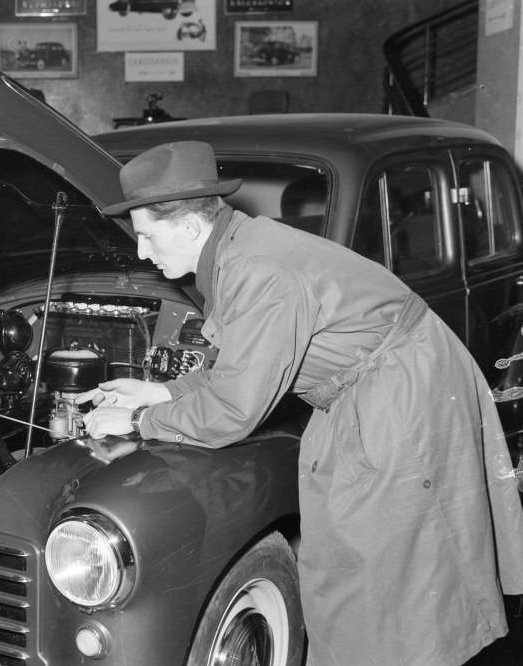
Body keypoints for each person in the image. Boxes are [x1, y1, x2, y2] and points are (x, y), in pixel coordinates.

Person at [77, 141, 523, 665]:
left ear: (191, 227)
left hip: (401, 398)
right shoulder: (237, 250)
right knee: (357, 563)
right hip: (376, 384)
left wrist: (138, 418)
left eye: (148, 235)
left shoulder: (259, 269)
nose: (141, 253)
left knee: (384, 570)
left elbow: (231, 412)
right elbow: (243, 369)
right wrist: (162, 392)